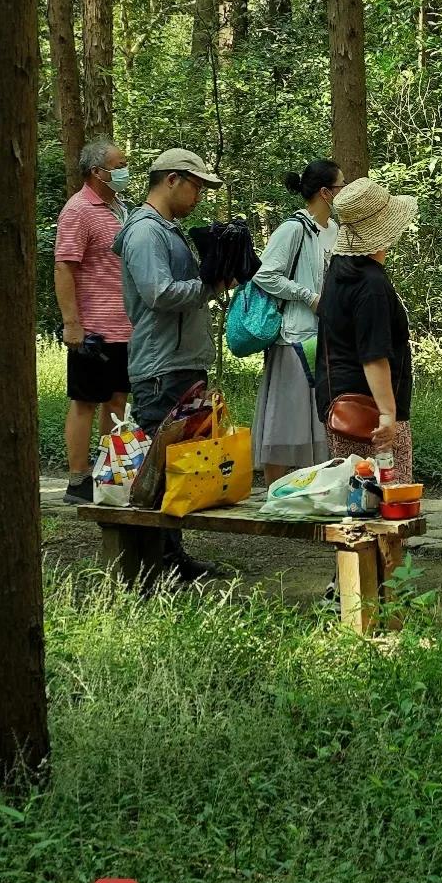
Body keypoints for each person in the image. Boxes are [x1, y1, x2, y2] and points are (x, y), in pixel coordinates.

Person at [119, 147, 238, 581]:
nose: (199, 197)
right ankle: (148, 567)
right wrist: (207, 284)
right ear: (172, 180)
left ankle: (171, 557)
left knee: (179, 467)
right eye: (197, 187)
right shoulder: (145, 232)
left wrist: (217, 280)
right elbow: (158, 292)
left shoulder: (168, 230)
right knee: (158, 468)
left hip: (181, 363)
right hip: (160, 368)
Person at [319, 176, 420, 482]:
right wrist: (387, 414)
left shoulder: (340, 270)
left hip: (341, 405)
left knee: (352, 494)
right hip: (370, 411)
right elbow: (373, 355)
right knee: (389, 495)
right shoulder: (370, 284)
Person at [52, 139, 131, 504]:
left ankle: (107, 473)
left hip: (125, 326)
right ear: (97, 172)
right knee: (85, 401)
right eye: (119, 165)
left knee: (117, 400)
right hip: (93, 328)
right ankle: (77, 478)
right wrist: (72, 323)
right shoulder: (78, 210)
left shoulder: (120, 208)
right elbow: (64, 267)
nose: (125, 170)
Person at [250, 160, 341, 477]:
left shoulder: (335, 231)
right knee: (285, 423)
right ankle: (275, 493)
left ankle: (311, 489)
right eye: (341, 186)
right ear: (326, 192)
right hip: (293, 338)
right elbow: (265, 275)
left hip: (325, 337)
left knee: (317, 421)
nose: (344, 191)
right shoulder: (294, 229)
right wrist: (308, 296)